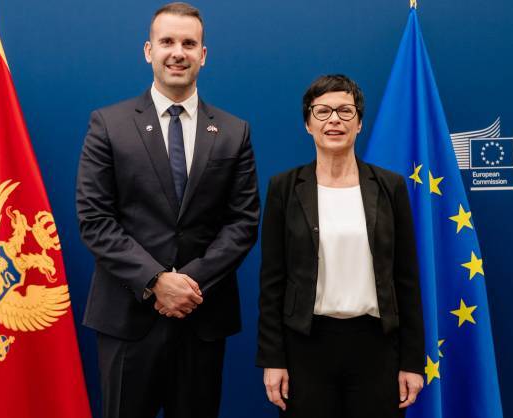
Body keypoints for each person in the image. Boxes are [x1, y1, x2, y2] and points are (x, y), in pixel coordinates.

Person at [76, 3, 260, 418]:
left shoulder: (233, 132)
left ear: (203, 54)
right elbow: (95, 219)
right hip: (127, 319)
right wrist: (156, 281)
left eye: (189, 44)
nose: (178, 52)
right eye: (167, 42)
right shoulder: (108, 124)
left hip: (201, 317)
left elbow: (243, 222)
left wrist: (188, 285)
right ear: (149, 50)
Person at [256, 74, 425, 418]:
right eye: (322, 111)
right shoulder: (284, 188)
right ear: (308, 124)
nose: (334, 120)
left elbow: (406, 279)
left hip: (377, 347)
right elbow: (272, 281)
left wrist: (412, 362)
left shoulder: (390, 187)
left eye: (346, 111)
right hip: (305, 347)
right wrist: (273, 358)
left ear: (359, 123)